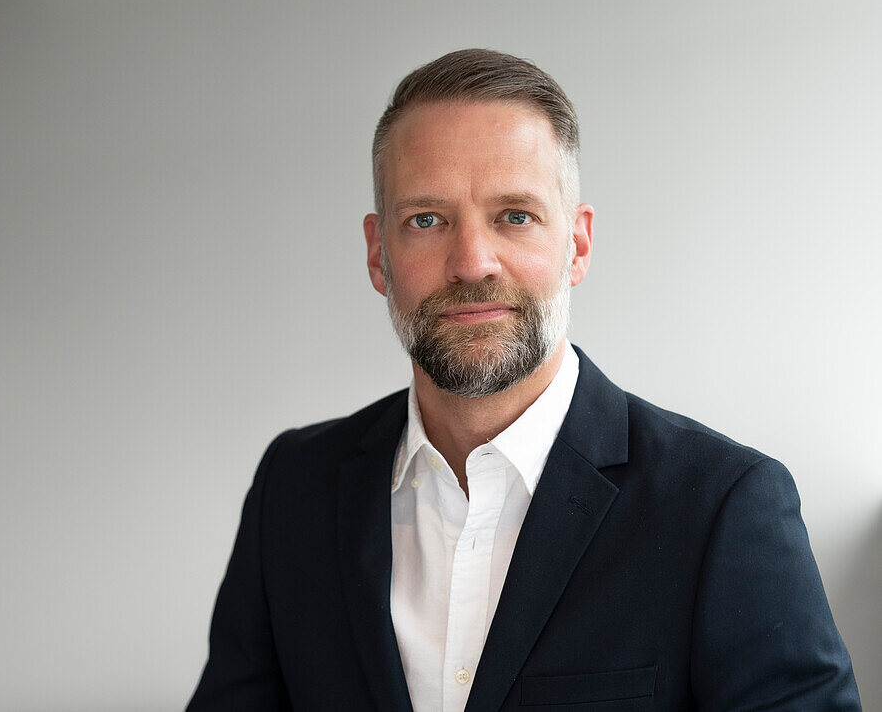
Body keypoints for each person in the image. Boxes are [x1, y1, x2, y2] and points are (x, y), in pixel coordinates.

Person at [186, 49, 860, 711]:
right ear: (377, 253)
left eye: (515, 215)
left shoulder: (723, 505)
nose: (473, 261)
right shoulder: (293, 488)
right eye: (427, 219)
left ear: (578, 243)